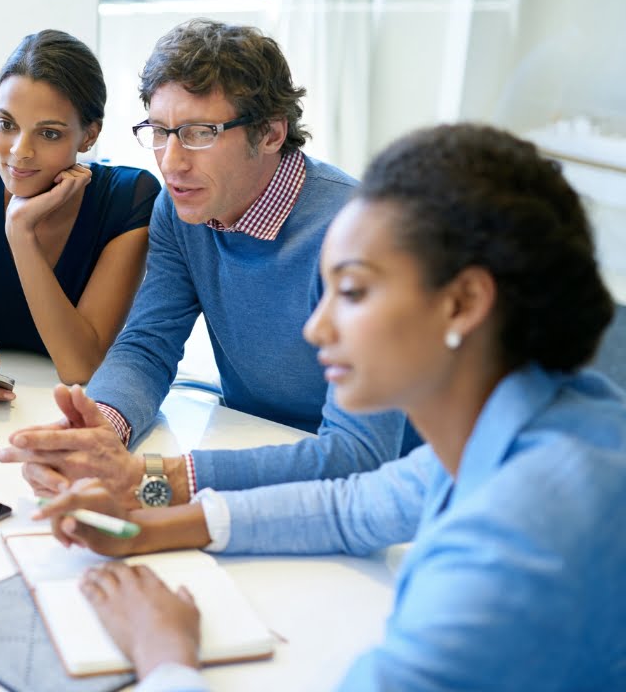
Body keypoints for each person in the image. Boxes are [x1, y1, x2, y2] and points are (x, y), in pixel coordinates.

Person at [39, 123, 626, 691]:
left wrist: (164, 658)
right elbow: (351, 508)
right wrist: (142, 527)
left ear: (464, 302)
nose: (317, 328)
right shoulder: (538, 425)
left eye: (352, 291)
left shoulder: (515, 544)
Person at [0, 19, 409, 509]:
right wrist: (100, 429)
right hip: (251, 454)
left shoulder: (358, 237)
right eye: (159, 131)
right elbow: (148, 346)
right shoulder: (181, 209)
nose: (171, 162)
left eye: (198, 133)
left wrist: (159, 477)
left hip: (380, 497)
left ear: (272, 133)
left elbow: (360, 453)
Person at [0, 30, 160, 403]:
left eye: (49, 134)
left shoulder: (128, 198)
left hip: (74, 406)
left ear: (89, 137)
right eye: (6, 124)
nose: (20, 152)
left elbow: (78, 366)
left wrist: (20, 230)